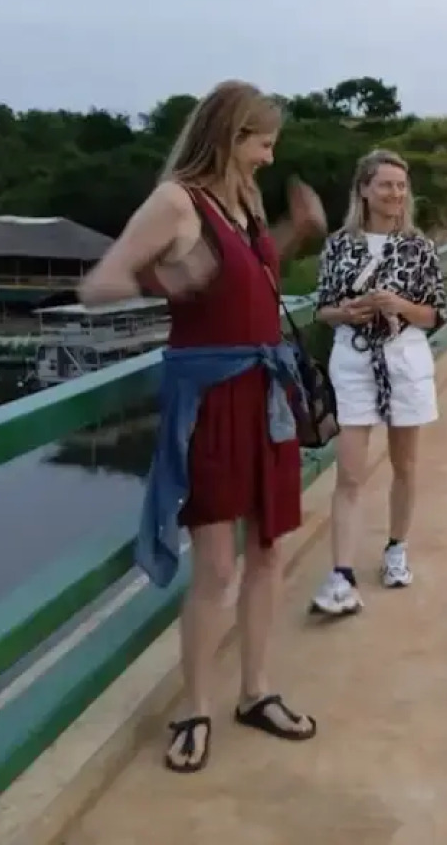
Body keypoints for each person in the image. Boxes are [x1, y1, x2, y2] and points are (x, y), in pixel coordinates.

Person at [79, 80, 328, 773]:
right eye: (262, 143)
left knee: (270, 551)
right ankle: (194, 706)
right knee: (216, 566)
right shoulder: (175, 202)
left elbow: (235, 275)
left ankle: (256, 690)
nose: (270, 159)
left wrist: (294, 232)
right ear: (228, 136)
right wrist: (165, 282)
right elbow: (99, 283)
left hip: (264, 394)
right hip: (211, 399)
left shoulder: (242, 199)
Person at [309, 149, 447, 616]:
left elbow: (433, 314)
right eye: (385, 184)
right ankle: (341, 574)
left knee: (405, 465)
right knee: (349, 472)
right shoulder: (338, 245)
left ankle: (395, 548)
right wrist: (347, 312)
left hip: (404, 360)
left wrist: (399, 305)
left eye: (401, 186)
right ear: (364, 189)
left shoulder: (419, 247)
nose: (395, 194)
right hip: (353, 361)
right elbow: (322, 309)